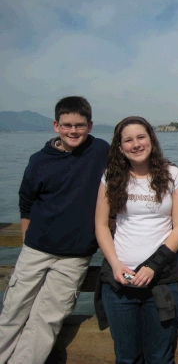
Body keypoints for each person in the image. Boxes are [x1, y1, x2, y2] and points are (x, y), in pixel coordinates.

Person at [0, 96, 109, 364]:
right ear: (55, 125)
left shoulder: (101, 151)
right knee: (13, 311)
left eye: (80, 125)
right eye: (67, 125)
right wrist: (28, 239)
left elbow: (134, 161)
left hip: (74, 257)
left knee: (45, 321)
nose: (73, 131)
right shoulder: (39, 160)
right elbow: (26, 203)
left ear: (90, 125)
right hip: (35, 251)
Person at [94, 116, 178, 364]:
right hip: (119, 284)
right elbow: (101, 225)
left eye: (141, 137)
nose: (136, 144)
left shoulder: (172, 175)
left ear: (151, 140)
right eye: (128, 140)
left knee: (160, 357)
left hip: (162, 281)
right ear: (120, 146)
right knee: (126, 357)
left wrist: (152, 266)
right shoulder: (111, 177)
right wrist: (115, 264)